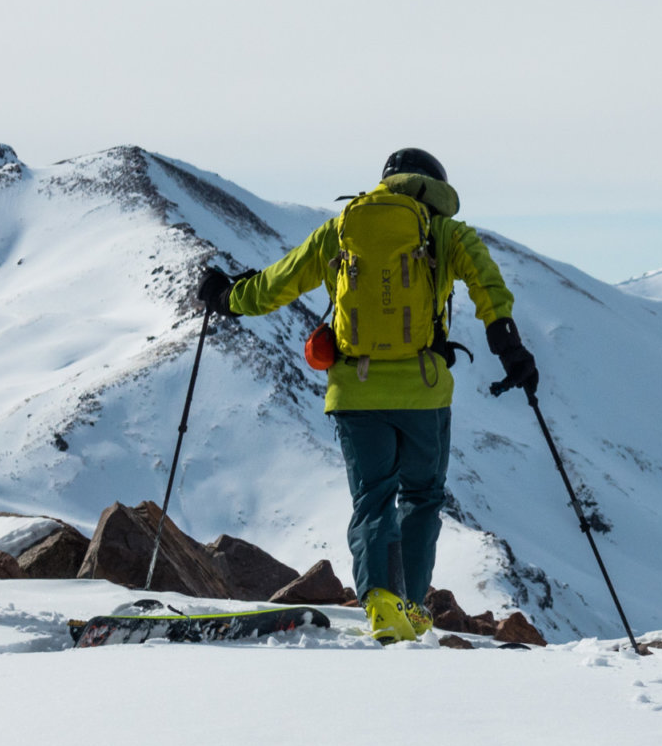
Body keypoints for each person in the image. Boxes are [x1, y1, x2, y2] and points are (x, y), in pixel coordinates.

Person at [196, 148, 535, 642]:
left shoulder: (343, 230)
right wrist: (508, 343)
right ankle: (413, 608)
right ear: (434, 187)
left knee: (373, 500)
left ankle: (379, 604)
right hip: (424, 393)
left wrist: (229, 297)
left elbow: (278, 282)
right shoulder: (445, 232)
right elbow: (487, 281)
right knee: (422, 497)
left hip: (355, 392)